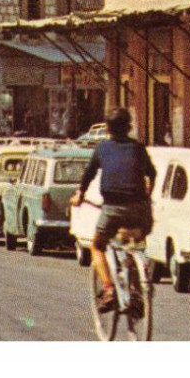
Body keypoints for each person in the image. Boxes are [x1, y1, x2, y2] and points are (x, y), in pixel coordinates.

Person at [70, 108, 155, 313]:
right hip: (140, 209)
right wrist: (147, 192)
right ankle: (135, 288)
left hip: (113, 208)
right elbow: (151, 173)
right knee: (135, 241)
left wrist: (79, 195)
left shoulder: (102, 148)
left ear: (107, 128)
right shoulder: (138, 148)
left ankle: (108, 289)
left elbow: (88, 174)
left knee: (97, 245)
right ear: (130, 127)